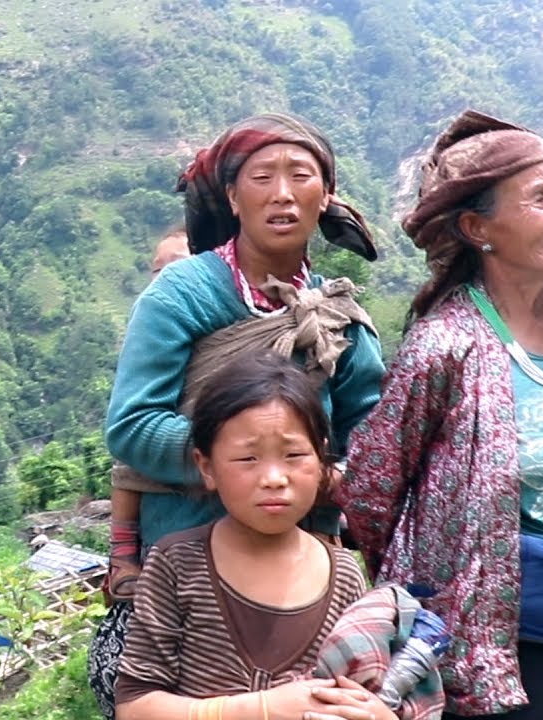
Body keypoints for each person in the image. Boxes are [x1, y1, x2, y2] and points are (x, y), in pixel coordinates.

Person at [89, 113, 385, 719]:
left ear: (325, 194)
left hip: (308, 571)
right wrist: (243, 464)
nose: (282, 194)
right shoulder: (184, 294)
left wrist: (324, 477)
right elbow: (133, 424)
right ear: (232, 196)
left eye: (300, 176)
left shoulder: (336, 314)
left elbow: (371, 440)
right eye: (262, 177)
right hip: (190, 567)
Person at [338, 110, 543, 719]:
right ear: (478, 228)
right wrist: (439, 582)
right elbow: (372, 490)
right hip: (508, 649)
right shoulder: (445, 345)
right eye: (541, 198)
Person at [116, 352, 438, 720]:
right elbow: (134, 707)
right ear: (206, 467)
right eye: (248, 459)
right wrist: (264, 708)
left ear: (321, 460)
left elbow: (355, 692)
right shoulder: (177, 564)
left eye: (294, 454)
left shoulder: (344, 576)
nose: (274, 478)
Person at [108, 225, 192, 601]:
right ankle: (122, 554)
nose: (165, 277)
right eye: (158, 269)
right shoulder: (150, 318)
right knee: (127, 465)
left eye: (177, 266)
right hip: (154, 434)